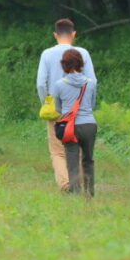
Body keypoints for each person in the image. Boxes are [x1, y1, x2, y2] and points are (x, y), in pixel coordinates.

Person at [36, 18, 95, 191]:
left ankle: (65, 183)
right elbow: (92, 80)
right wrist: (88, 104)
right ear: (73, 34)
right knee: (76, 148)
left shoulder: (46, 54)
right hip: (78, 108)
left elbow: (41, 83)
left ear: (55, 35)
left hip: (56, 109)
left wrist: (46, 102)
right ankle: (78, 183)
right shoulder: (82, 52)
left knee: (57, 150)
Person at [51, 48, 97, 197]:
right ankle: (89, 193)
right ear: (80, 63)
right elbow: (92, 103)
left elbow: (58, 108)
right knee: (88, 159)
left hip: (70, 127)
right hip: (89, 125)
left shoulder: (58, 85)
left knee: (72, 161)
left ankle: (76, 194)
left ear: (64, 64)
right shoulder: (90, 83)